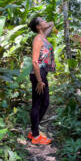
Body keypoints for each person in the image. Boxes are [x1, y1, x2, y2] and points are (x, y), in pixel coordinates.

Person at [27, 17, 56, 145]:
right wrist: (39, 81)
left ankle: (33, 130)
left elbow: (52, 23)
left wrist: (44, 23)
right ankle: (36, 136)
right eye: (42, 21)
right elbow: (34, 61)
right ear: (38, 27)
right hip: (38, 74)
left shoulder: (43, 36)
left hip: (43, 74)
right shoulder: (38, 39)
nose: (46, 22)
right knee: (38, 104)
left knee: (45, 103)